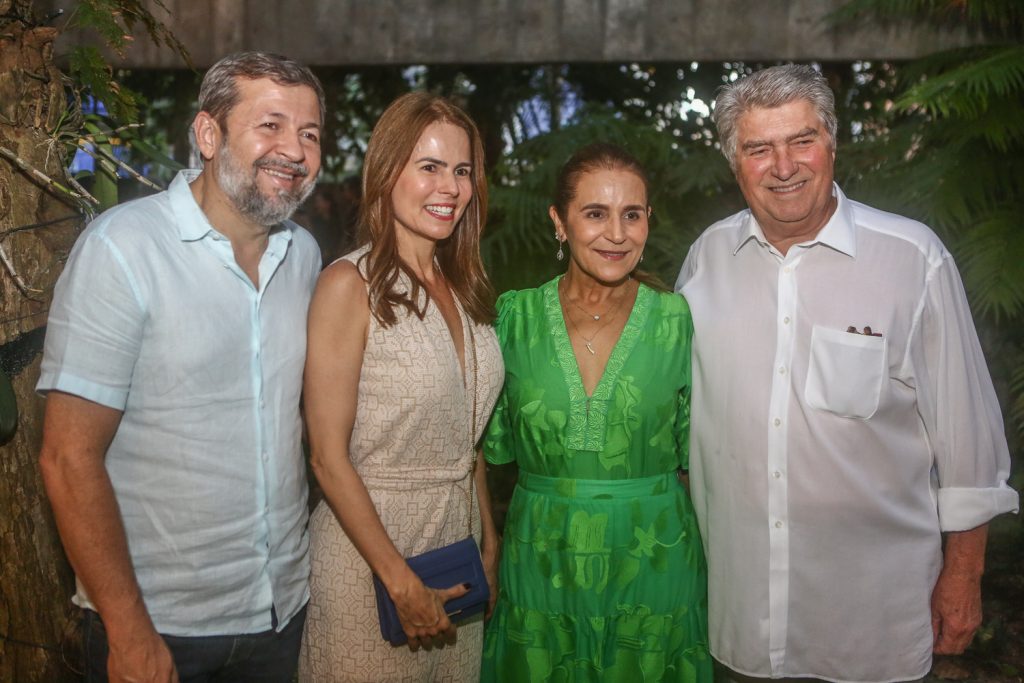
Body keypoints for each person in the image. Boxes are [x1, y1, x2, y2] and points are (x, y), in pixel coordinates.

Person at [676, 64, 1019, 683]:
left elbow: (969, 445)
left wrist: (963, 576)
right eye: (759, 148)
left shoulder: (913, 258)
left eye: (801, 140)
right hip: (740, 623)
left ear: (832, 143)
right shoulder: (707, 258)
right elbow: (681, 414)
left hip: (872, 627)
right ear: (736, 163)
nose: (784, 166)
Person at [37, 51, 325, 683]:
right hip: (160, 626)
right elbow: (67, 457)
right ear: (207, 134)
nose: (295, 150)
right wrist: (128, 627)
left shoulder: (303, 256)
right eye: (270, 125)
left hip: (283, 615)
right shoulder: (123, 250)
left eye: (309, 133)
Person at [481, 143, 713, 682]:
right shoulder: (514, 319)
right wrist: (488, 547)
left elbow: (695, 451)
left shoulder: (677, 320)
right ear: (558, 222)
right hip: (540, 559)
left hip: (654, 561)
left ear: (648, 221)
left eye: (632, 214)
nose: (617, 233)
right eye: (595, 214)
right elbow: (485, 449)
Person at [297, 92, 504, 682]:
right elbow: (326, 457)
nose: (451, 187)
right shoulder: (347, 286)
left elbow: (471, 435)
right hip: (370, 561)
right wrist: (398, 578)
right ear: (388, 172)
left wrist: (489, 537)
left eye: (462, 171)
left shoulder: (464, 288)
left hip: (455, 553)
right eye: (430, 167)